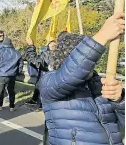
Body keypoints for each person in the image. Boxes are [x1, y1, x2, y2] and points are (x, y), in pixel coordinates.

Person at [40, 12, 125, 145]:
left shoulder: (101, 83)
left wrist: (120, 100)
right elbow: (71, 73)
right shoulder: (49, 82)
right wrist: (102, 36)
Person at [0, 38, 23, 111]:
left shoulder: (0, 52)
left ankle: (0, 105)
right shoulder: (16, 52)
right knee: (11, 91)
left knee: (0, 91)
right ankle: (12, 106)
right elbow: (20, 64)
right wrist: (18, 72)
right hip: (12, 75)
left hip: (1, 74)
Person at [24, 39, 56, 111]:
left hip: (45, 79)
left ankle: (41, 104)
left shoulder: (47, 55)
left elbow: (33, 59)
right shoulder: (63, 55)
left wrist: (31, 46)